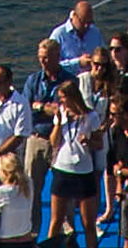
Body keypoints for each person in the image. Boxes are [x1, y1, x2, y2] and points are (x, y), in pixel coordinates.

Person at [22, 38, 76, 236]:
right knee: (31, 188)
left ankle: (67, 230)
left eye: (46, 58)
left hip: (61, 141)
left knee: (64, 187)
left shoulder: (69, 81)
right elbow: (26, 107)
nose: (42, 62)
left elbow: (67, 109)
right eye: (40, 58)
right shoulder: (33, 81)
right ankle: (32, 230)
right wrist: (44, 108)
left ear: (57, 56)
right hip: (36, 139)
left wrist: (41, 107)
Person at [48, 80, 103, 248]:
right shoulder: (62, 114)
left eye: (63, 98)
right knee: (56, 220)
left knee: (88, 224)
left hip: (83, 171)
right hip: (62, 169)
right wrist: (58, 122)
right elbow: (54, 142)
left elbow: (99, 144)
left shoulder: (91, 116)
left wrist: (89, 141)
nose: (61, 101)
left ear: (72, 96)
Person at [78, 47, 119, 224]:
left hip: (102, 133)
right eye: (96, 64)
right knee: (82, 171)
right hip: (83, 132)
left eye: (103, 65)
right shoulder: (82, 80)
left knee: (97, 172)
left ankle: (96, 212)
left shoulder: (110, 85)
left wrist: (103, 128)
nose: (99, 69)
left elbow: (113, 112)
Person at [49, 0, 105, 76]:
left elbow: (104, 55)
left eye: (89, 22)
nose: (86, 26)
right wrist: (78, 63)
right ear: (74, 16)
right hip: (67, 80)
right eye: (83, 21)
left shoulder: (95, 32)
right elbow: (51, 65)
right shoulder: (59, 35)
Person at [106, 96, 128, 248]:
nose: (111, 118)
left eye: (114, 114)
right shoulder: (115, 132)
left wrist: (122, 172)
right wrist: (119, 181)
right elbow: (115, 162)